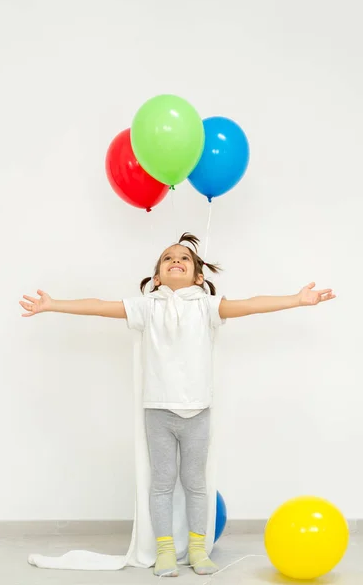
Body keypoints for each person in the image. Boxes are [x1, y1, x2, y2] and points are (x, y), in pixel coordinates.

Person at [20, 232, 335, 577]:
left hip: (197, 410)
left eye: (184, 258)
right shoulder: (147, 306)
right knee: (162, 483)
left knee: (196, 483)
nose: (176, 261)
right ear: (157, 276)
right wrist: (54, 304)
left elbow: (251, 304)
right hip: (158, 410)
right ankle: (165, 550)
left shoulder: (206, 306)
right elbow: (98, 305)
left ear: (199, 276)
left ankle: (198, 549)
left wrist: (297, 299)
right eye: (168, 258)